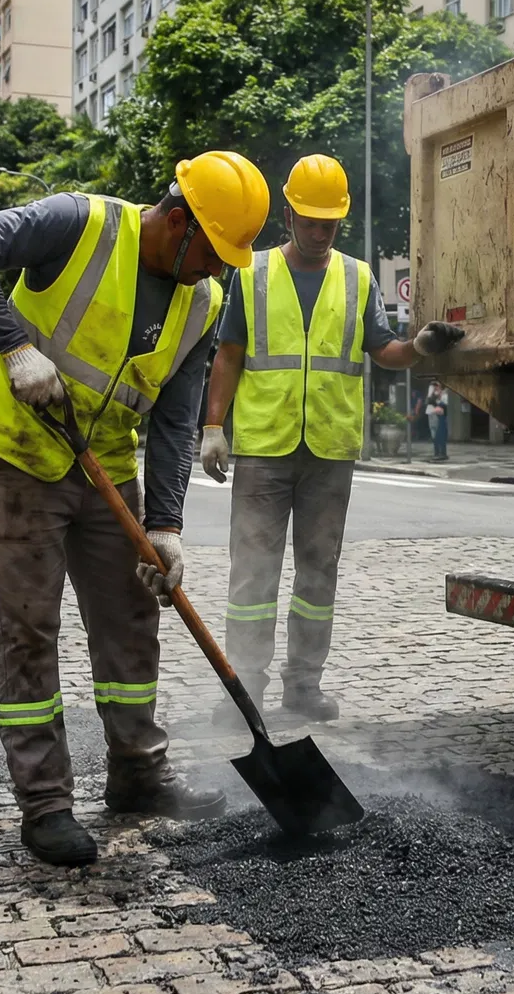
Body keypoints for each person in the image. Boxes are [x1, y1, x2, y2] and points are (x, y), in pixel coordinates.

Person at [0, 151, 269, 867]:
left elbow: (177, 421)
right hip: (20, 455)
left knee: (132, 621)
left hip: (106, 468)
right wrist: (15, 347)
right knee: (27, 628)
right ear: (176, 222)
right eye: (211, 254)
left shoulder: (204, 302)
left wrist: (167, 526)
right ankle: (47, 803)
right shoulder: (76, 224)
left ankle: (138, 774)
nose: (216, 272)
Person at [198, 155, 465, 722]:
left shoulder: (358, 276)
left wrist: (418, 347)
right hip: (264, 450)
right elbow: (229, 355)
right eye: (312, 221)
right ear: (290, 214)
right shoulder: (251, 272)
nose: (321, 233)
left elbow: (384, 351)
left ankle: (303, 688)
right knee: (253, 574)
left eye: (331, 224)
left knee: (318, 574)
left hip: (329, 450)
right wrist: (213, 428)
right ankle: (244, 691)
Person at [423, 379, 450, 462]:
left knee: (439, 434)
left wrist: (438, 394)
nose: (435, 387)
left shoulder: (444, 394)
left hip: (439, 415)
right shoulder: (432, 393)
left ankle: (441, 453)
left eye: (437, 385)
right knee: (434, 434)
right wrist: (433, 393)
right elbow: (428, 401)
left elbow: (443, 404)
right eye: (434, 386)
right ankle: (437, 452)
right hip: (431, 413)